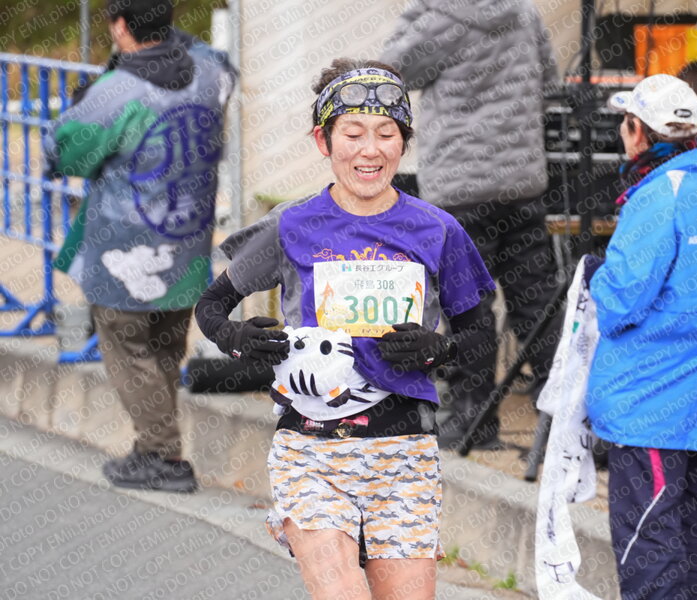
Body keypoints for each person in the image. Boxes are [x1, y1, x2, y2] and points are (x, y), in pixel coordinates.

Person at [194, 58, 496, 599]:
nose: (369, 150)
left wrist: (439, 348)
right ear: (323, 141)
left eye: (386, 134)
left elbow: (481, 335)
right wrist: (237, 339)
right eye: (353, 134)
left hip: (404, 452)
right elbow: (212, 306)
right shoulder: (293, 224)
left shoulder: (438, 229)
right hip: (311, 449)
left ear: (404, 142)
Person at [42, 0, 236, 493]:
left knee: (127, 346)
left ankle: (163, 456)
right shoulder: (207, 73)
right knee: (165, 345)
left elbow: (66, 150)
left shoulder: (118, 90)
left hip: (124, 248)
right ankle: (151, 445)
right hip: (187, 243)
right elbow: (222, 64)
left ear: (121, 26)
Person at [587, 74, 697, 599]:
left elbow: (620, 302)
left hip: (652, 403)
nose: (622, 132)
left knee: (650, 539)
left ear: (638, 131)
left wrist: (596, 275)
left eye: (626, 122)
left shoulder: (657, 197)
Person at [380, 0, 561, 449]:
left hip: (460, 189)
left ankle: (474, 421)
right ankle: (560, 421)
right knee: (536, 303)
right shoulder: (524, 14)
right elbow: (550, 83)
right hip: (521, 182)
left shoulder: (439, 18)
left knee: (468, 309)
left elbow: (389, 74)